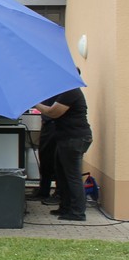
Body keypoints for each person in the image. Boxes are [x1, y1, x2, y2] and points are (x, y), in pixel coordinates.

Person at [35, 87, 92, 221]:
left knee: (72, 176)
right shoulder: (64, 91)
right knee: (62, 175)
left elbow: (53, 112)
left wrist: (36, 103)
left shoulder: (70, 91)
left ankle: (77, 212)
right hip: (65, 138)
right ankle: (66, 208)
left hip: (74, 138)